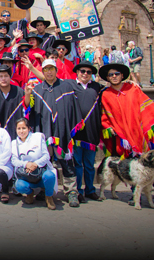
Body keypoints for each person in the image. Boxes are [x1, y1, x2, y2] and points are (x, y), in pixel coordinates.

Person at [99, 62, 154, 210]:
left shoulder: (132, 89)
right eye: (111, 74)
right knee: (131, 167)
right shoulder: (106, 94)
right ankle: (135, 195)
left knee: (152, 163)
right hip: (123, 138)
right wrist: (108, 127)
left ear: (122, 75)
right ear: (107, 77)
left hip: (140, 135)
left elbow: (148, 106)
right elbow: (104, 116)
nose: (114, 76)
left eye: (116, 74)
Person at [28, 59, 83, 207]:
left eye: (51, 69)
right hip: (45, 133)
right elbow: (31, 111)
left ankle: (71, 191)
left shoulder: (66, 87)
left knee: (66, 162)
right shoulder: (38, 89)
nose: (49, 72)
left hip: (63, 132)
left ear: (56, 70)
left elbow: (74, 106)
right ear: (43, 72)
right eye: (46, 69)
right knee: (45, 162)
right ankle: (44, 190)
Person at [66, 61, 102, 202]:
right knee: (78, 165)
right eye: (82, 71)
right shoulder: (70, 85)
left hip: (92, 132)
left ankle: (90, 190)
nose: (85, 74)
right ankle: (78, 190)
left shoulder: (97, 87)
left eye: (88, 72)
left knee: (89, 165)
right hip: (76, 133)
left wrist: (130, 82)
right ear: (77, 72)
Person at [11, 118, 56, 210]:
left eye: (24, 128)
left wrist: (35, 164)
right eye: (19, 129)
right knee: (19, 185)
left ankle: (49, 197)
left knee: (50, 176)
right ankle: (29, 194)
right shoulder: (14, 143)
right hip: (26, 175)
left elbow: (46, 156)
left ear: (29, 128)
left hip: (40, 172)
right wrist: (26, 164)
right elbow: (14, 160)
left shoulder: (38, 138)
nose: (21, 131)